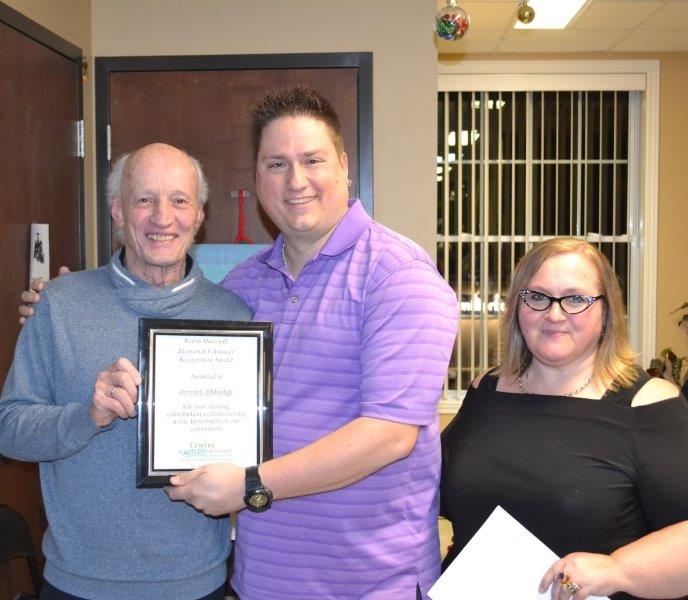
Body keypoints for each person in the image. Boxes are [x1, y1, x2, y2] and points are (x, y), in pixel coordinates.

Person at [19, 87, 459, 599]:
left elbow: (390, 434)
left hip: (368, 582)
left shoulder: (399, 276)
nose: (295, 181)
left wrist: (252, 482)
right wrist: (65, 303)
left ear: (343, 166)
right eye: (276, 164)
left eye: (312, 160)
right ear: (257, 178)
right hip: (260, 579)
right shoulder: (243, 289)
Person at [1, 143, 252, 600]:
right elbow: (10, 429)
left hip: (196, 582)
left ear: (199, 214)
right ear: (117, 210)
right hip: (78, 584)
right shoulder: (60, 303)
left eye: (179, 200)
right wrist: (87, 416)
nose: (162, 217)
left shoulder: (234, 317)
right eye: (144, 199)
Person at [440, 237, 688, 600]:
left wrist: (617, 569)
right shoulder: (486, 389)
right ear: (517, 306)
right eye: (537, 296)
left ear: (606, 312)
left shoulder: (649, 404)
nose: (554, 314)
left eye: (576, 299)